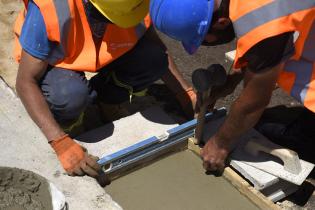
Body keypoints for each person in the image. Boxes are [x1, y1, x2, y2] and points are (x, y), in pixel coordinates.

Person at [14, 0, 196, 178]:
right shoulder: (50, 8)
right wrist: (59, 141)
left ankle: (108, 100)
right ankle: (71, 124)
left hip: (105, 50)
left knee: (153, 59)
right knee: (68, 96)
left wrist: (185, 92)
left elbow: (155, 47)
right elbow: (25, 81)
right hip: (57, 59)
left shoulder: (134, 4)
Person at [150, 0, 315, 172]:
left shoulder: (263, 25)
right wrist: (230, 82)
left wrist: (221, 142)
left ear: (222, 22)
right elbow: (263, 45)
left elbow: (255, 103)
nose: (205, 44)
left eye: (204, 40)